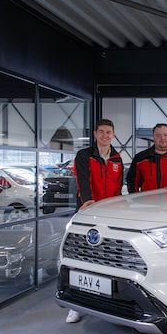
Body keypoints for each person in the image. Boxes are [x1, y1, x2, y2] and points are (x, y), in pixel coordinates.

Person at [66, 118, 125, 323]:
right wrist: (88, 204)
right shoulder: (84, 155)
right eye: (101, 132)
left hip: (110, 215)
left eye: (108, 132)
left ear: (113, 135)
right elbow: (83, 182)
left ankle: (107, 301)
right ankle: (74, 306)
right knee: (81, 259)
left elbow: (117, 188)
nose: (105, 135)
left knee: (107, 259)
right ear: (95, 134)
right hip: (87, 211)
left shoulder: (117, 159)